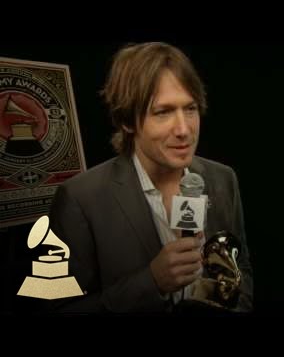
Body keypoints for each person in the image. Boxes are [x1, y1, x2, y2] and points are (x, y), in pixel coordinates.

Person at [47, 42, 253, 314]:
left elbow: (241, 272)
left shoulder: (222, 179)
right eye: (162, 112)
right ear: (127, 121)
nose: (184, 129)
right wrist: (152, 282)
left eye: (190, 109)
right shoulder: (80, 199)